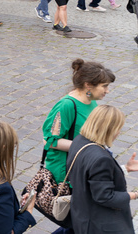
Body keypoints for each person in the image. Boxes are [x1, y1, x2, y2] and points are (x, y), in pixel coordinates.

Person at [41, 59, 114, 197]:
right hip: (66, 174)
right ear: (88, 85)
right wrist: (86, 147)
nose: (107, 91)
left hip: (82, 166)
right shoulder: (66, 106)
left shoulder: (91, 101)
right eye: (104, 86)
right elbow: (48, 140)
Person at [64, 105, 138, 234]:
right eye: (118, 129)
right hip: (99, 225)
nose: (119, 132)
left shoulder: (79, 141)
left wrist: (125, 169)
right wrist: (134, 195)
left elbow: (91, 176)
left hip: (81, 215)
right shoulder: (101, 158)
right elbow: (105, 197)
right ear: (109, 129)